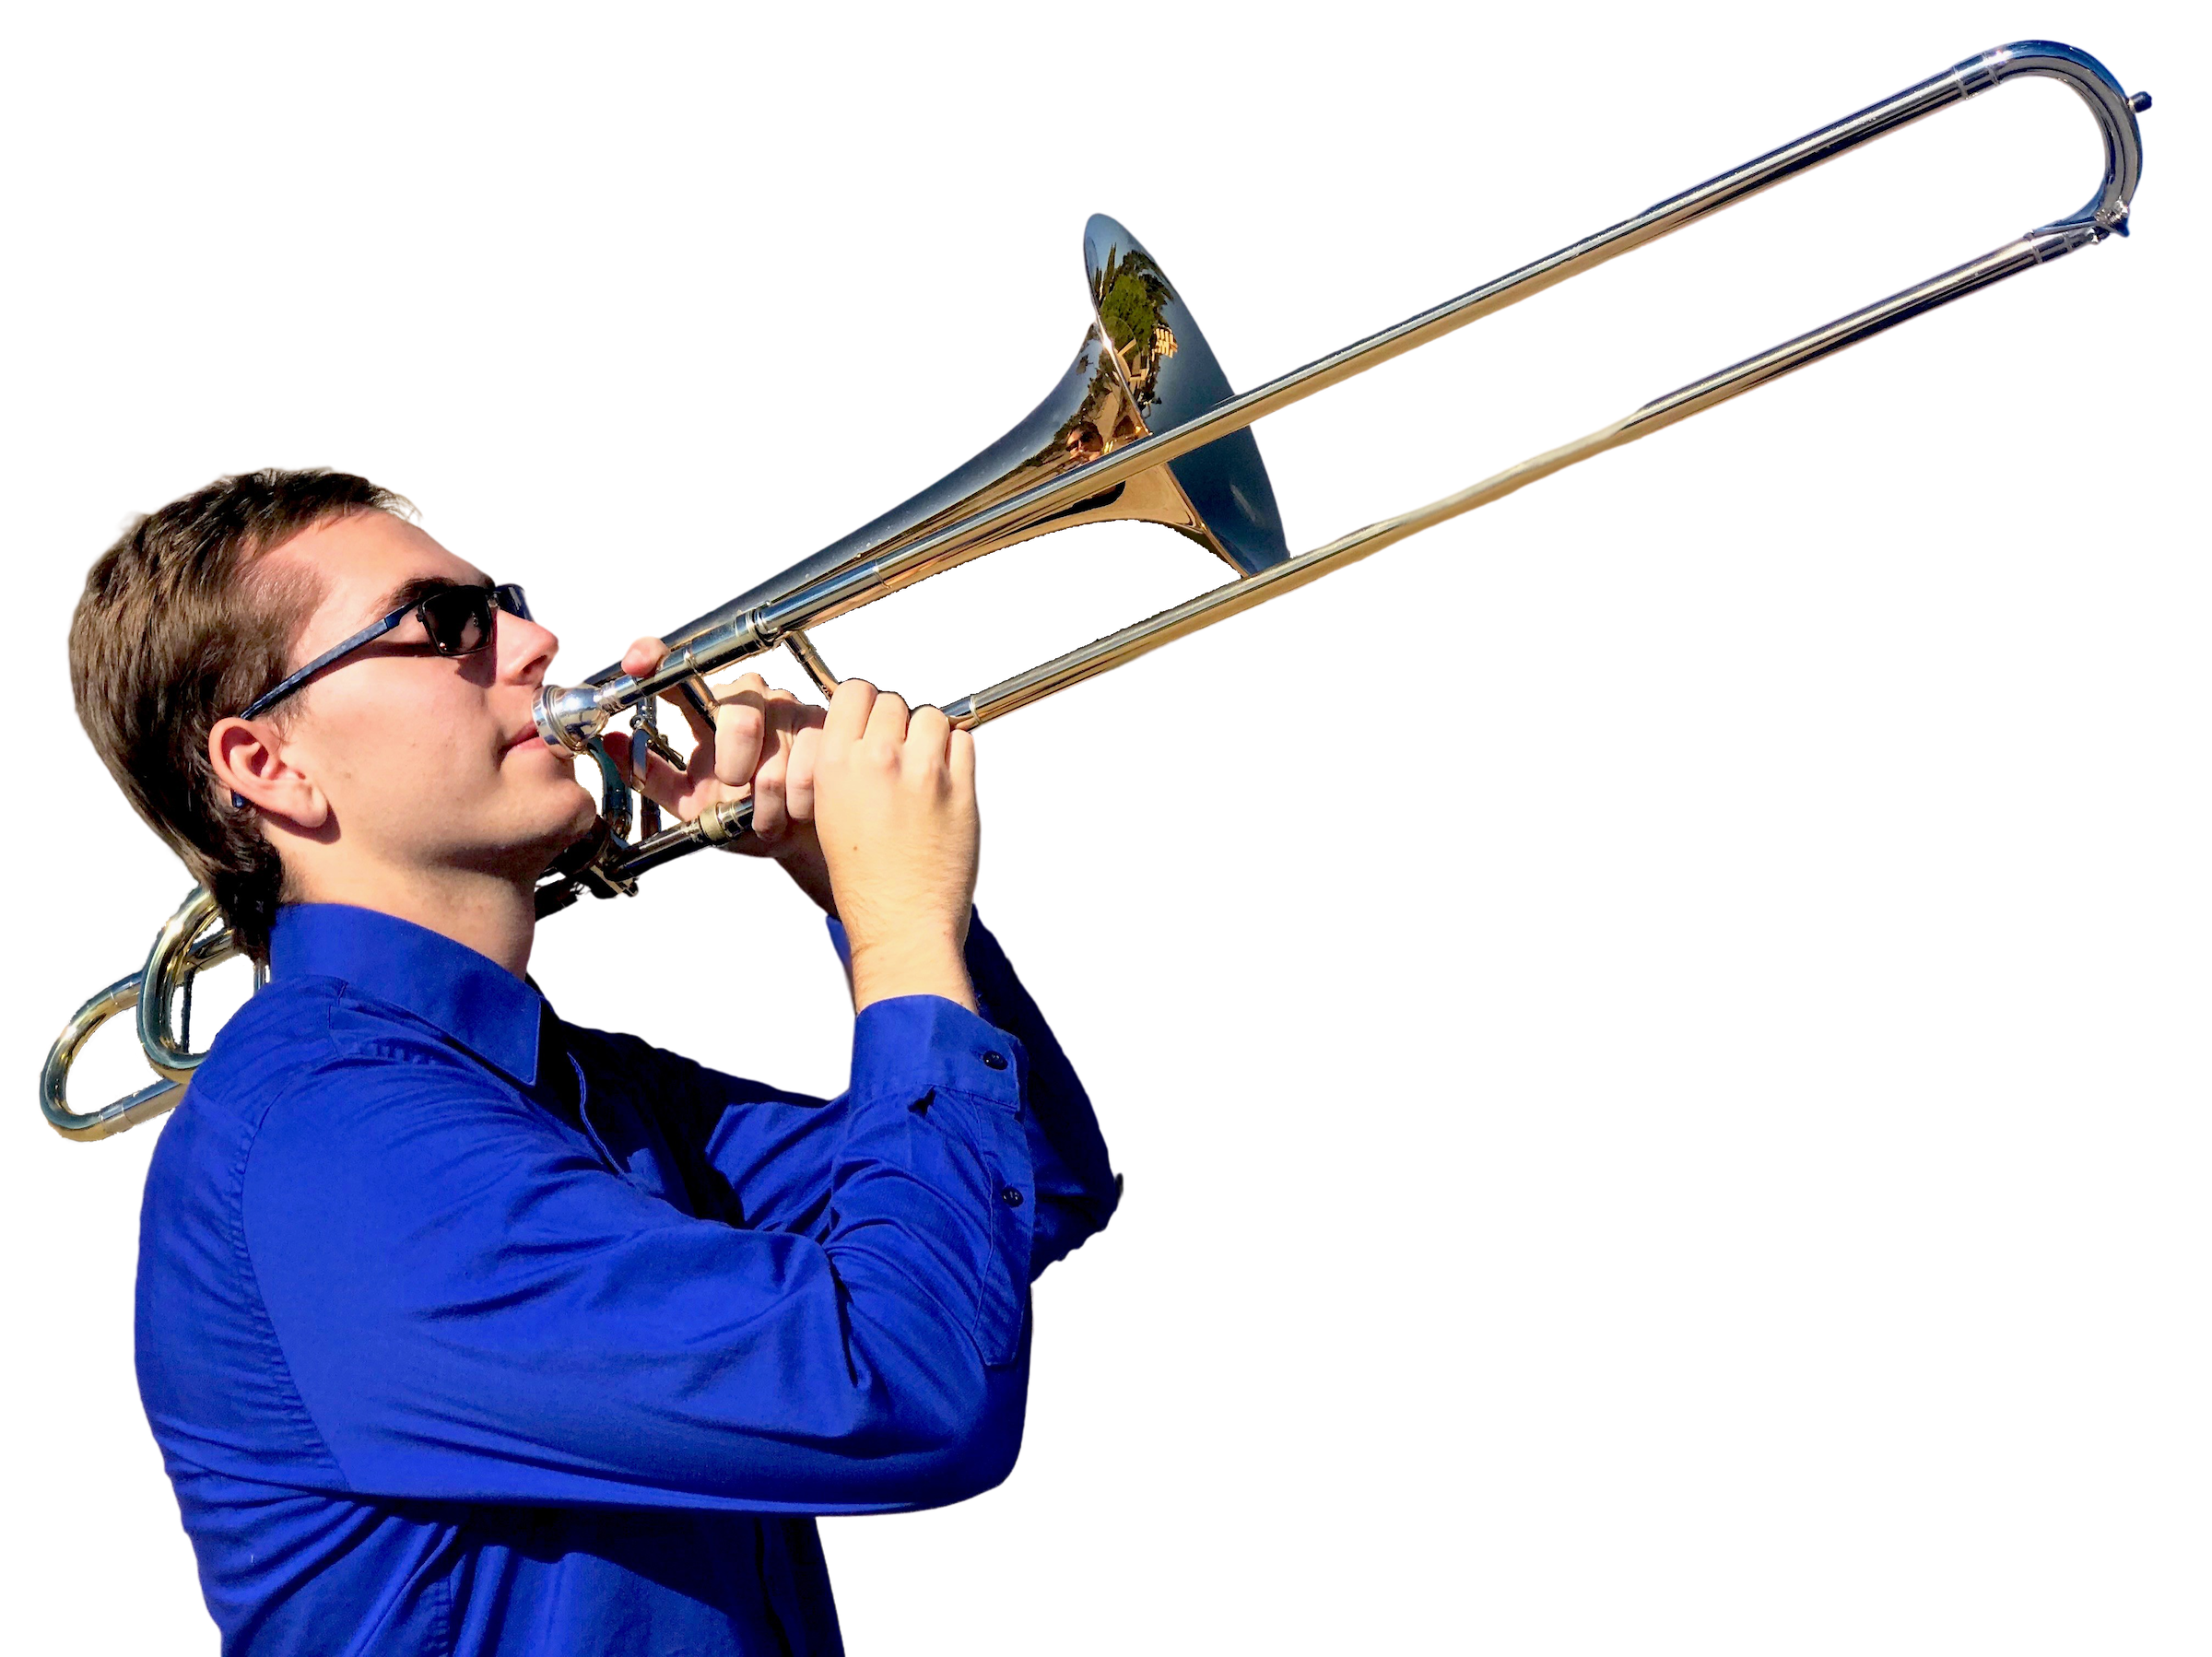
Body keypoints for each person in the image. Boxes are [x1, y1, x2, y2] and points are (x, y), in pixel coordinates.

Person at [65, 464, 1119, 1655]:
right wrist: (901, 927)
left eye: (504, 600)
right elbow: (915, 1385)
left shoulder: (582, 1084)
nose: (537, 640)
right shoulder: (333, 1148)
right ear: (269, 765)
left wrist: (845, 883)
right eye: (445, 625)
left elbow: (1034, 1190)